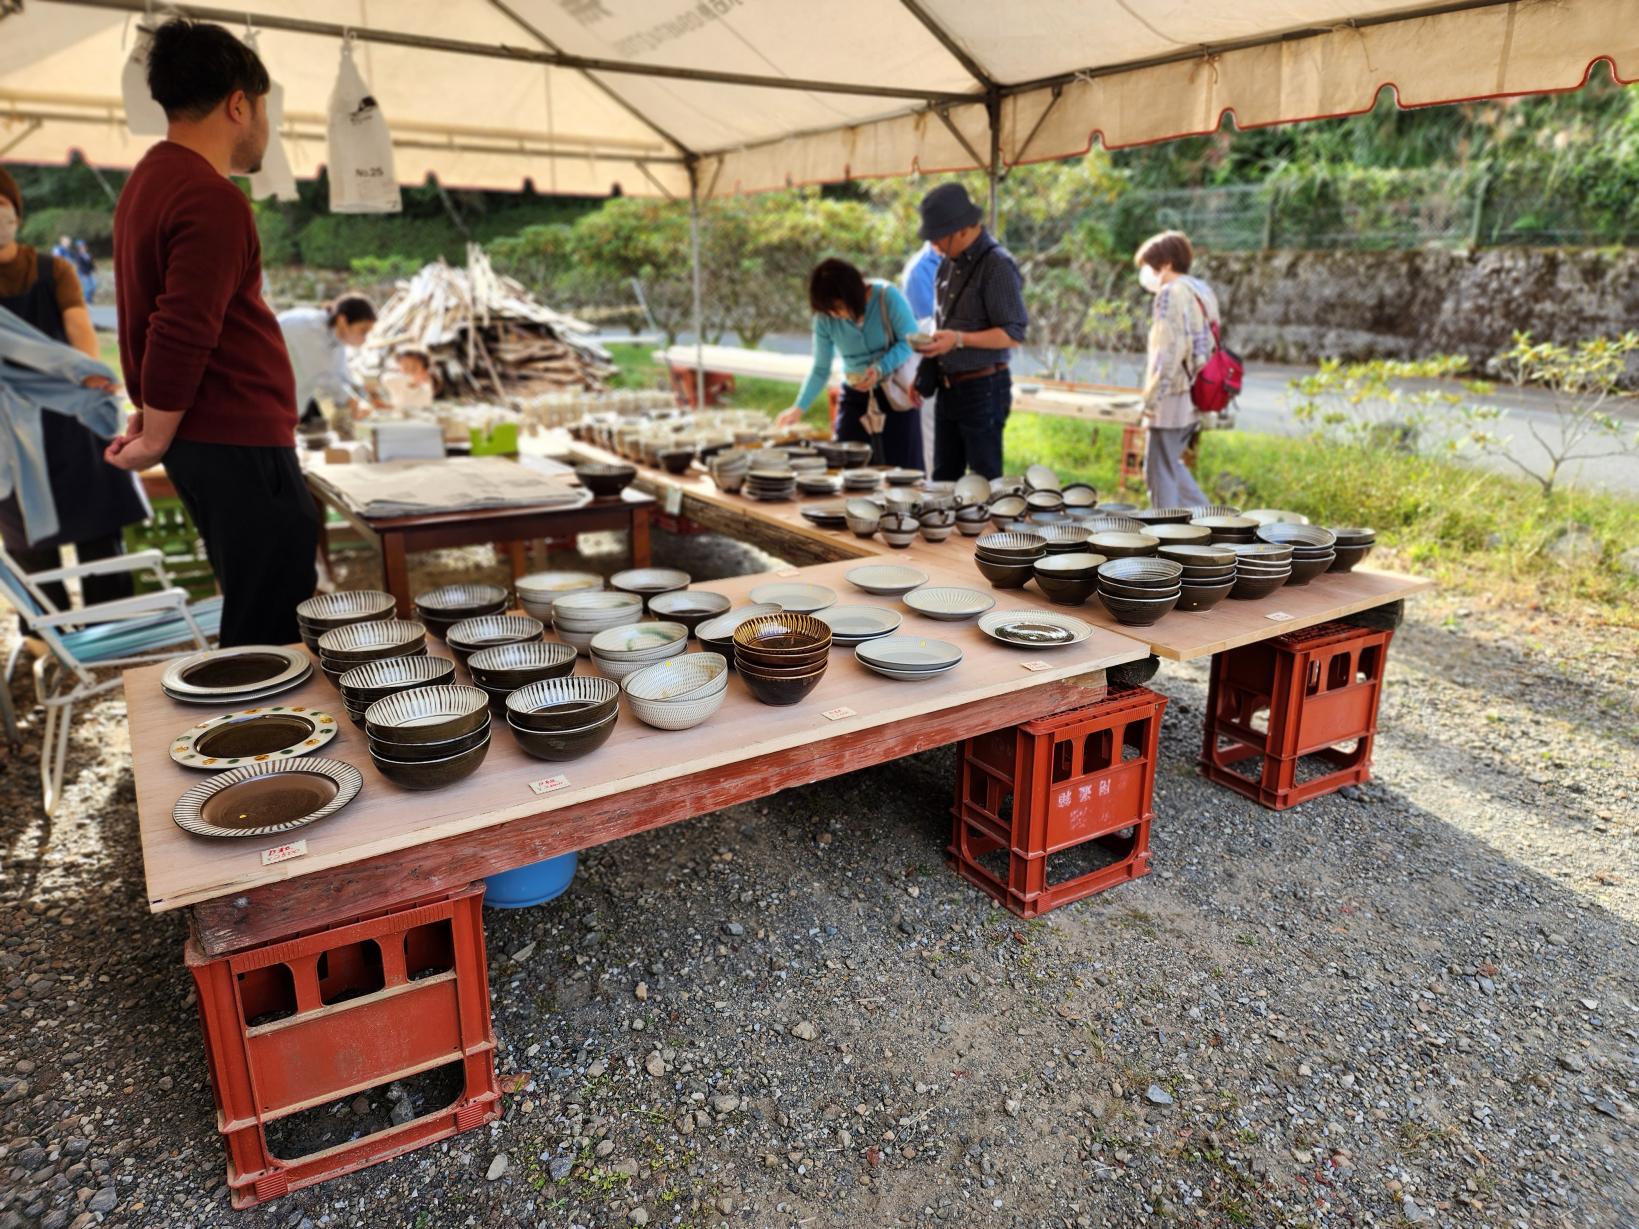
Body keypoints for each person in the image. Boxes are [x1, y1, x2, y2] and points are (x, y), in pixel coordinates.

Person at [105, 16, 319, 648]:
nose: (265, 130)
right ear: (238, 104)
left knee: (257, 606)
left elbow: (156, 316)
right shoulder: (210, 196)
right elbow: (180, 328)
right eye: (263, 111)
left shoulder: (149, 178)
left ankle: (259, 736)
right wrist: (155, 433)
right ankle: (265, 743)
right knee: (270, 628)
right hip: (236, 438)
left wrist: (154, 418)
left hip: (210, 437)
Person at [0, 166, 148, 612]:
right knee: (29, 542)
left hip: (70, 414)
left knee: (99, 531)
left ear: (16, 213)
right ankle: (51, 637)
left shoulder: (53, 269)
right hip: (9, 428)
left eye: (1, 206)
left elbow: (79, 327)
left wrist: (86, 373)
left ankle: (113, 629)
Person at [909, 183, 1027, 481]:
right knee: (943, 478)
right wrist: (925, 371)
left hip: (984, 387)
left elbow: (1013, 332)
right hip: (947, 386)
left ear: (961, 230)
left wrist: (959, 340)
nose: (934, 245)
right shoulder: (946, 265)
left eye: (938, 237)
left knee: (982, 483)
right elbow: (943, 327)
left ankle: (990, 531)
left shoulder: (997, 265)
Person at [775, 259, 923, 471]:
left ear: (852, 293)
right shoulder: (825, 319)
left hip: (895, 394)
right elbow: (820, 368)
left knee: (902, 471)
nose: (835, 315)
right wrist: (799, 408)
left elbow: (909, 341)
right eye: (829, 310)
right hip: (856, 397)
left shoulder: (887, 297)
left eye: (837, 307)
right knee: (847, 467)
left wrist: (881, 368)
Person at [1135, 230, 1217, 509]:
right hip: (1196, 393)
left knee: (1158, 473)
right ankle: (1211, 521)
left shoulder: (1170, 293)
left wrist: (1151, 401)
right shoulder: (1201, 290)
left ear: (1167, 263)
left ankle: (1163, 536)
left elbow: (1167, 352)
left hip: (1172, 397)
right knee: (1171, 466)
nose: (1147, 272)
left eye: (1150, 264)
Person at [277, 294, 378, 429]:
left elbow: (342, 375)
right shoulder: (308, 328)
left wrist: (366, 393)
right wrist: (353, 402)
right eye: (363, 330)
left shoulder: (335, 337)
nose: (365, 338)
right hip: (264, 402)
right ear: (343, 321)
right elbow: (324, 377)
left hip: (286, 408)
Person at [899, 240, 942, 475]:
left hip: (957, 372)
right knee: (933, 448)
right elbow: (929, 330)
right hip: (930, 368)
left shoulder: (957, 261)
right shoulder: (920, 270)